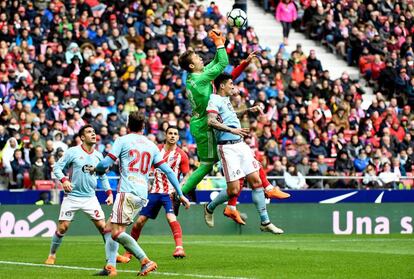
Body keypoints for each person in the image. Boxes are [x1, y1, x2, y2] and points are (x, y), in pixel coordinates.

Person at [93, 112, 190, 277]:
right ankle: (110, 266)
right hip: (142, 194)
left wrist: (97, 169)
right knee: (108, 228)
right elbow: (168, 171)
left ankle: (145, 261)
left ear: (128, 125)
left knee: (116, 232)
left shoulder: (122, 140)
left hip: (127, 191)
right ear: (143, 127)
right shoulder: (151, 145)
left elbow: (106, 163)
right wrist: (180, 193)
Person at [204, 73, 283, 234]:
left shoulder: (226, 100)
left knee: (256, 181)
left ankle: (265, 221)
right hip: (227, 148)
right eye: (231, 84)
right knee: (233, 190)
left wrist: (248, 110)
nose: (233, 86)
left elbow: (229, 117)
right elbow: (211, 121)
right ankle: (209, 207)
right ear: (222, 86)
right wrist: (232, 129)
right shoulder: (214, 99)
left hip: (240, 144)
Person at [44, 125, 114, 265]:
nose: (93, 134)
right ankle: (52, 255)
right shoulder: (73, 152)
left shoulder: (99, 155)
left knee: (103, 227)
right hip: (73, 197)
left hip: (90, 197)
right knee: (63, 227)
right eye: (89, 132)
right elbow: (57, 167)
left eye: (94, 132)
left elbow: (102, 176)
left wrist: (109, 193)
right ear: (82, 137)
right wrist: (64, 180)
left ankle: (112, 256)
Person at [125, 126, 190, 260]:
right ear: (165, 135)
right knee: (139, 222)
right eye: (170, 133)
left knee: (171, 218)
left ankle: (179, 248)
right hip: (154, 192)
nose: (172, 136)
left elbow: (187, 175)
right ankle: (129, 252)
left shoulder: (181, 155)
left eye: (175, 134)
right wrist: (147, 182)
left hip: (169, 193)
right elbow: (147, 167)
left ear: (178, 137)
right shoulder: (156, 150)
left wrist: (180, 188)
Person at [177, 29, 228, 198]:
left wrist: (220, 45)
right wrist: (219, 45)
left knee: (219, 157)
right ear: (192, 66)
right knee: (207, 165)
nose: (200, 58)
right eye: (197, 58)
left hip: (203, 121)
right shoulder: (200, 78)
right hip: (204, 125)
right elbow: (222, 64)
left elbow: (214, 62)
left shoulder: (197, 75)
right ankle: (180, 193)